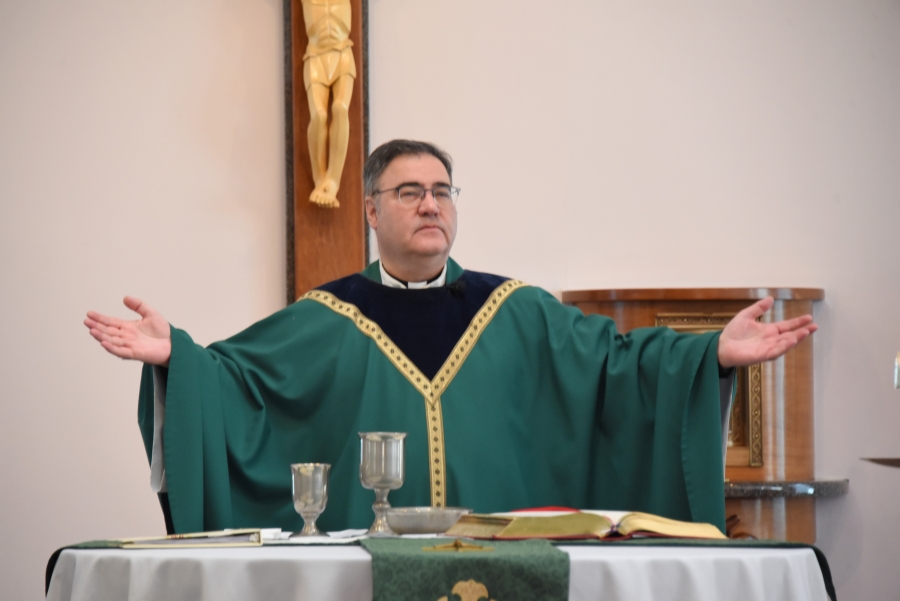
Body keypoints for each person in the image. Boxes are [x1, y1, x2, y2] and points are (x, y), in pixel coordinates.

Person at [85, 140, 816, 535]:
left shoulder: (519, 309)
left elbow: (616, 366)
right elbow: (237, 382)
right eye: (410, 191)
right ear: (371, 210)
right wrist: (175, 356)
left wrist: (710, 354)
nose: (430, 204)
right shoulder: (325, 314)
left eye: (442, 191)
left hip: (505, 565)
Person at [301, 0, 355, 208]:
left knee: (340, 108)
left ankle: (333, 181)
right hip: (315, 55)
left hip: (343, 54)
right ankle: (319, 179)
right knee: (319, 116)